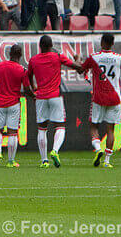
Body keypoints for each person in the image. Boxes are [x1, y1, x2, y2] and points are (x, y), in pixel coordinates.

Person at [77, 33, 121, 168]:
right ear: (113, 43)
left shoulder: (94, 57)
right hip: (115, 98)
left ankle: (98, 149)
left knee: (94, 126)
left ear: (101, 42)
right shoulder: (119, 58)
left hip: (98, 97)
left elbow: (81, 69)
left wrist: (77, 59)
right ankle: (107, 161)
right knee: (110, 130)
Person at [26, 34, 80, 168]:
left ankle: (44, 160)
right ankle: (55, 151)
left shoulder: (33, 60)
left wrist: (34, 90)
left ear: (40, 46)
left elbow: (27, 78)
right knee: (60, 126)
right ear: (51, 46)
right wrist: (78, 59)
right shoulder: (57, 56)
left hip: (41, 97)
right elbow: (77, 67)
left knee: (42, 129)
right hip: (55, 96)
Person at [0, 43, 29, 167]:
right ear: (21, 55)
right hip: (14, 104)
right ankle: (11, 161)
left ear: (9, 53)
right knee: (12, 133)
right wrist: (34, 96)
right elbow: (27, 88)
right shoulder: (22, 70)